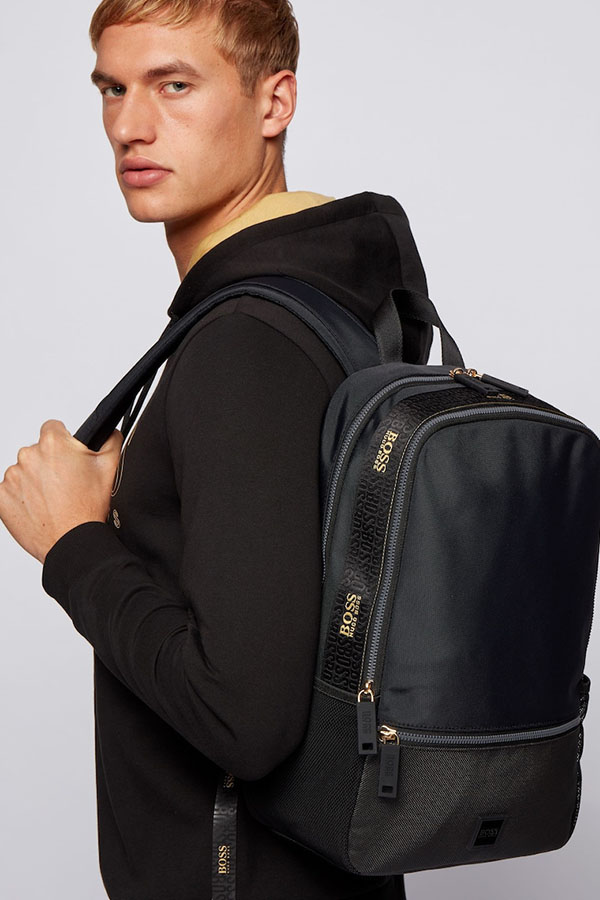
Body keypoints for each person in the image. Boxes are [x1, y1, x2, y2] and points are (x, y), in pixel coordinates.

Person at [0, 1, 435, 897]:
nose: (129, 126)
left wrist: (73, 543)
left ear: (274, 102)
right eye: (112, 89)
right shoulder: (330, 309)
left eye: (173, 85)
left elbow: (246, 720)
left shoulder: (246, 343)